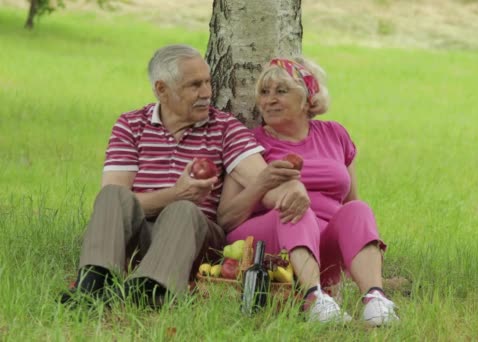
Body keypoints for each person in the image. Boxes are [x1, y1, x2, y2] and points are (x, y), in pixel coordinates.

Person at [60, 44, 309, 308]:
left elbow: (264, 180)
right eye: (194, 86)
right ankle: (93, 284)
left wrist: (294, 189)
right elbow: (118, 202)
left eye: (207, 82)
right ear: (162, 90)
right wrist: (176, 193)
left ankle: (152, 291)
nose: (206, 93)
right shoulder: (131, 125)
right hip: (140, 234)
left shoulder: (225, 128)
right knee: (111, 195)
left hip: (194, 237)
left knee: (184, 210)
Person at [218, 57, 399, 326]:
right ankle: (314, 298)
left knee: (358, 210)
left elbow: (350, 205)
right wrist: (263, 183)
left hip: (321, 241)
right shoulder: (250, 141)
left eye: (281, 91)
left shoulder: (335, 134)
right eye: (264, 92)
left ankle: (375, 299)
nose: (269, 100)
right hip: (268, 240)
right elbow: (226, 218)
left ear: (307, 98)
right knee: (295, 207)